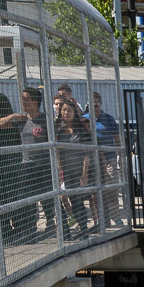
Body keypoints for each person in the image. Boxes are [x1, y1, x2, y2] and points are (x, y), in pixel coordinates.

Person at [0, 86, 54, 240]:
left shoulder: (45, 120)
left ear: (35, 102)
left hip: (44, 166)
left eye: (26, 99)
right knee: (28, 200)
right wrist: (13, 116)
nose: (23, 102)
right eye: (22, 99)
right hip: (27, 165)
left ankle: (53, 225)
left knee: (48, 199)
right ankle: (29, 230)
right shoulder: (22, 120)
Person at [54, 96, 94, 238]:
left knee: (78, 202)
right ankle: (66, 232)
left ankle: (84, 230)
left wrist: (84, 174)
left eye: (69, 110)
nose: (66, 113)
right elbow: (57, 150)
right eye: (64, 110)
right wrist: (59, 168)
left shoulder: (81, 129)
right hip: (66, 171)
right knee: (64, 200)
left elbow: (87, 154)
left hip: (78, 171)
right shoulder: (59, 129)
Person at [91, 92, 121, 226]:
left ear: (100, 104)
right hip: (94, 161)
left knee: (111, 189)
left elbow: (117, 138)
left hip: (109, 158)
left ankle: (116, 216)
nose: (94, 107)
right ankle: (100, 219)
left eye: (96, 104)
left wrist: (120, 155)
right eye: (91, 105)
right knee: (95, 192)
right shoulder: (85, 119)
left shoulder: (109, 119)